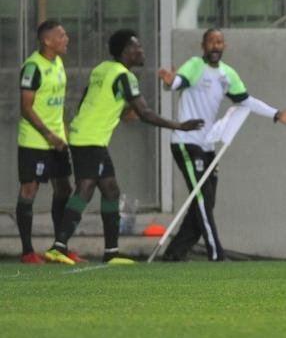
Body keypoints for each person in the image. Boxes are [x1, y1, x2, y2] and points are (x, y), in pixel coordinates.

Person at [46, 30, 204, 266]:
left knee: (110, 190)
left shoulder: (103, 68)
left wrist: (116, 112)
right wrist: (180, 126)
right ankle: (58, 246)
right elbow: (145, 113)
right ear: (124, 52)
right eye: (135, 46)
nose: (140, 50)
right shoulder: (125, 77)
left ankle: (111, 252)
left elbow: (89, 101)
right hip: (91, 138)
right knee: (85, 189)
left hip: (86, 134)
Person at [156, 28, 286, 262]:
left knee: (206, 201)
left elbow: (245, 100)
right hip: (186, 143)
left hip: (207, 145)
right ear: (204, 46)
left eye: (220, 42)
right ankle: (217, 255)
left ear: (224, 47)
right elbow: (177, 82)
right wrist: (169, 82)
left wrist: (277, 114)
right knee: (202, 198)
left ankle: (174, 253)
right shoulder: (195, 65)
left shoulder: (227, 74)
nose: (216, 46)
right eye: (211, 42)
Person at [16, 20, 74, 264]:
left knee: (64, 188)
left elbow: (57, 102)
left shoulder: (59, 62)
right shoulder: (32, 67)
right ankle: (28, 251)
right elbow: (26, 108)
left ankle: (59, 246)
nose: (66, 38)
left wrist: (61, 131)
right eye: (61, 35)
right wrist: (48, 134)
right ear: (47, 41)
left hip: (57, 140)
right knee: (30, 190)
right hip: (35, 140)